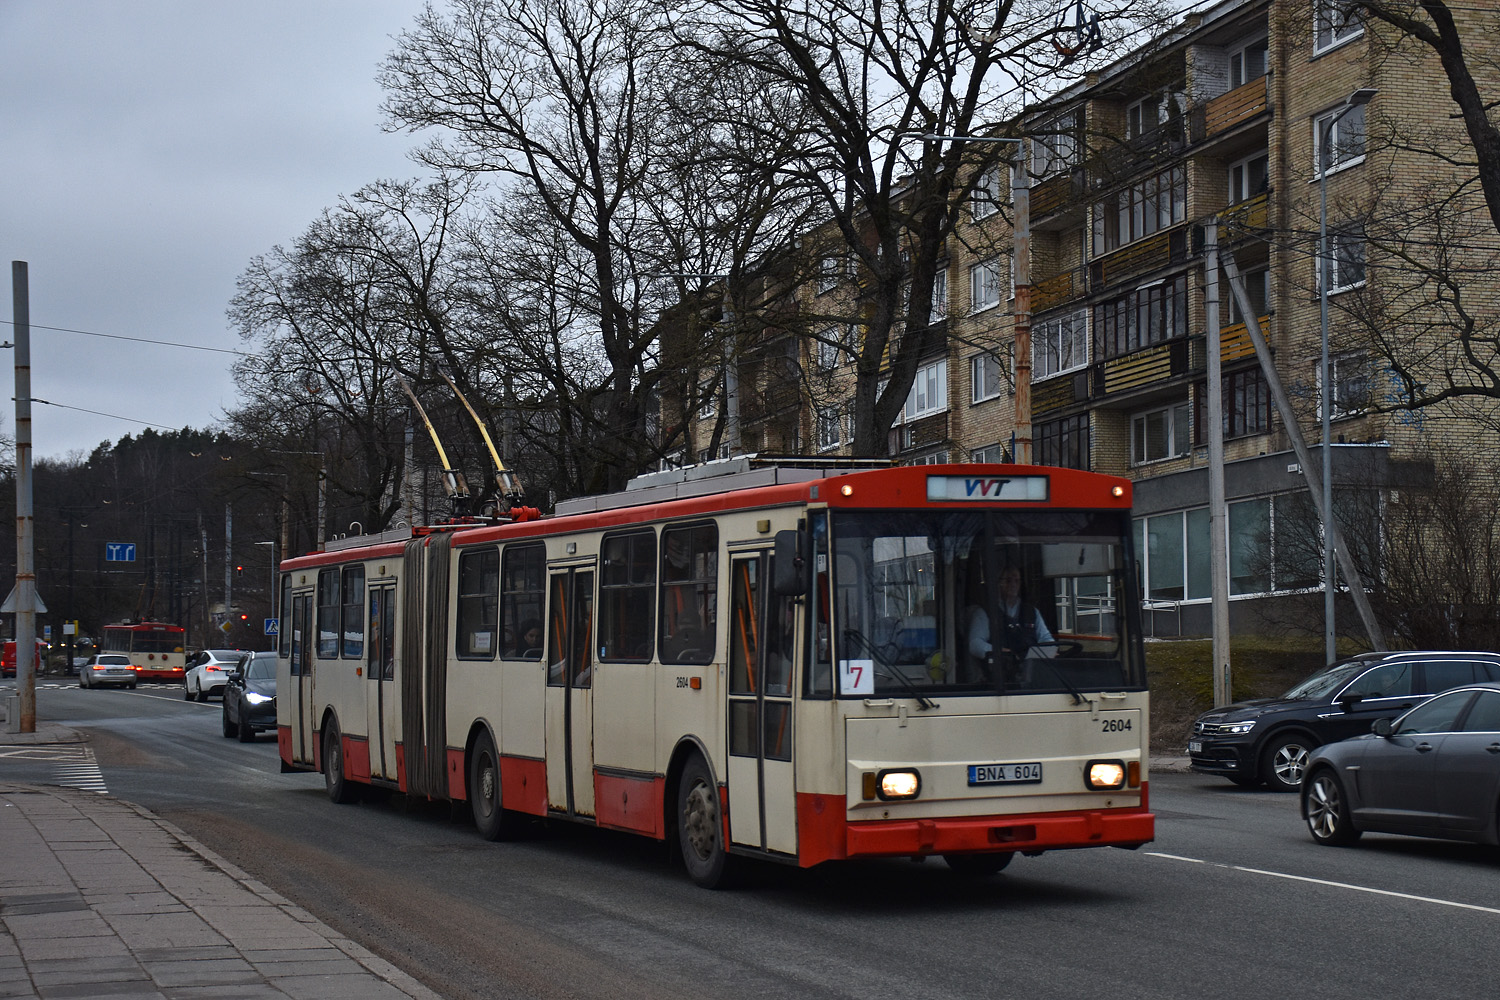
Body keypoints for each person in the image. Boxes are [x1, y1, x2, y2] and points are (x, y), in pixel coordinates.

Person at [966, 566, 1055, 664]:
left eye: (1017, 581)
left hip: (1031, 671)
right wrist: (999, 652)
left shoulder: (1033, 612)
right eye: (1008, 581)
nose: (1013, 585)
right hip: (999, 672)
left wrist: (1051, 651)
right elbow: (975, 644)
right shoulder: (984, 613)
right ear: (998, 584)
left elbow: (1046, 639)